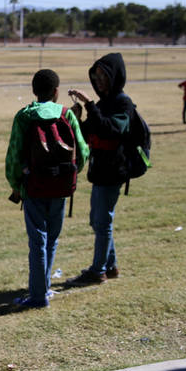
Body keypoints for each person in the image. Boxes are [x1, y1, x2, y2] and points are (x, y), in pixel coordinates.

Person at [5, 69, 89, 308]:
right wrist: (71, 175)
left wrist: (16, 184)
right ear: (56, 92)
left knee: (37, 242)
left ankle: (39, 295)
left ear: (34, 91)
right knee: (51, 240)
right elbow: (82, 152)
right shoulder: (67, 115)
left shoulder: (24, 116)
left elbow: (13, 156)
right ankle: (44, 288)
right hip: (61, 187)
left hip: (33, 187)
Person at [66, 52, 133, 286]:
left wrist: (90, 104)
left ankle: (98, 271)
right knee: (98, 221)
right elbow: (89, 134)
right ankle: (110, 266)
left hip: (113, 171)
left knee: (102, 222)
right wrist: (78, 119)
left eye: (104, 75)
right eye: (97, 76)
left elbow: (112, 130)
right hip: (100, 170)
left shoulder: (122, 103)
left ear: (115, 76)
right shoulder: (103, 103)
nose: (100, 80)